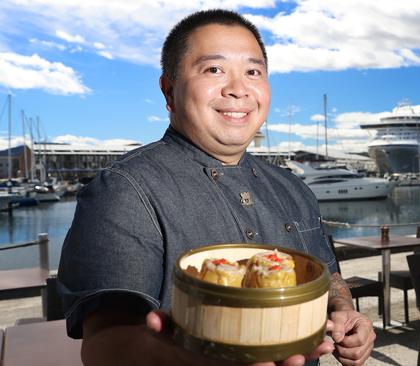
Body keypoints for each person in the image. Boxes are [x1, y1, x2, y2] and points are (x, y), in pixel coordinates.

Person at [57, 9, 375, 366]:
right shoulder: (124, 190)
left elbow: (327, 273)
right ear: (169, 90)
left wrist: (344, 311)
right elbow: (104, 341)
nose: (239, 89)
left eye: (253, 72)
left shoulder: (293, 187)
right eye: (214, 70)